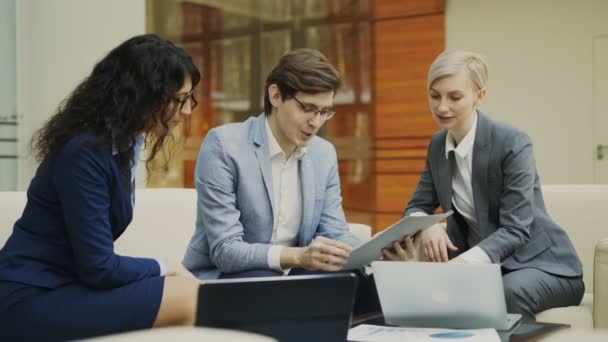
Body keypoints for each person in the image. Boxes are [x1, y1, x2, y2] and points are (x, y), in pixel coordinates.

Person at [0, 34, 202, 341]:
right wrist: (164, 266)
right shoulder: (83, 153)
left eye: (188, 99)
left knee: (187, 292)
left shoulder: (120, 146)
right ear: (143, 94)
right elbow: (99, 267)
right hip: (29, 298)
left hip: (68, 287)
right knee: (188, 294)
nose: (187, 111)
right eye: (179, 100)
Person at [183, 48, 415, 283]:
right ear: (276, 96)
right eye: (307, 108)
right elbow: (226, 251)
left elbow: (334, 233)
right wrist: (298, 257)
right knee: (265, 279)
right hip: (230, 277)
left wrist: (381, 251)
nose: (316, 122)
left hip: (295, 277)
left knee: (365, 282)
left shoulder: (323, 154)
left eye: (325, 112)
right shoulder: (224, 145)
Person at [402, 50, 584, 320]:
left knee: (506, 292)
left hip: (546, 268)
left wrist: (462, 264)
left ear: (480, 96)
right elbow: (417, 206)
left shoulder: (512, 142)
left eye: (455, 97)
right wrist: (427, 225)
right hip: (486, 269)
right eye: (435, 95)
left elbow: (516, 229)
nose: (442, 107)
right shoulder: (438, 145)